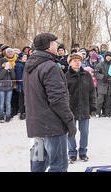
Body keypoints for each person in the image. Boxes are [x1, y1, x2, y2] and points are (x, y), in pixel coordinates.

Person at [24, 33, 76, 172]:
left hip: (37, 124)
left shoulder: (30, 65)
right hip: (52, 126)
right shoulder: (50, 67)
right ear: (47, 46)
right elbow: (58, 99)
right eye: (54, 43)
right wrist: (69, 121)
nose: (56, 45)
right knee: (58, 165)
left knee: (38, 162)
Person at [66, 53, 97, 163]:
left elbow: (92, 92)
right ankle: (72, 153)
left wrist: (93, 108)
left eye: (79, 60)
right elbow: (63, 94)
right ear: (69, 63)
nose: (77, 62)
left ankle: (83, 152)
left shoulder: (87, 75)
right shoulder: (66, 76)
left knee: (84, 132)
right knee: (71, 132)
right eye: (74, 60)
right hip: (70, 110)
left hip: (85, 109)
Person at [94, 51, 111, 117]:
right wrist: (102, 77)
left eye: (109, 57)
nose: (108, 58)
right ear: (105, 57)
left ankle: (107, 113)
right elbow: (96, 73)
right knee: (100, 99)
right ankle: (97, 112)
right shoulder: (100, 64)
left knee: (108, 100)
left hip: (110, 84)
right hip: (102, 84)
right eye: (107, 56)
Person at [0, 58, 15, 123]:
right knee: (1, 103)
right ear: (1, 64)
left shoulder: (9, 68)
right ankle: (1, 116)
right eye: (4, 63)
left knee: (8, 103)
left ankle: (8, 115)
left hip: (9, 88)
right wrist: (5, 69)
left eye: (6, 63)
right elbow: (0, 77)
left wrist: (11, 69)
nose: (5, 65)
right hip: (1, 88)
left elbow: (13, 77)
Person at [14, 52, 27, 120]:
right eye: (24, 57)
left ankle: (26, 111)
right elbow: (19, 76)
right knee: (21, 99)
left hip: (27, 84)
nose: (25, 58)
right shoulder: (18, 65)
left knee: (26, 99)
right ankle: (22, 112)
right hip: (21, 85)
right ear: (20, 58)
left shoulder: (26, 64)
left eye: (26, 57)